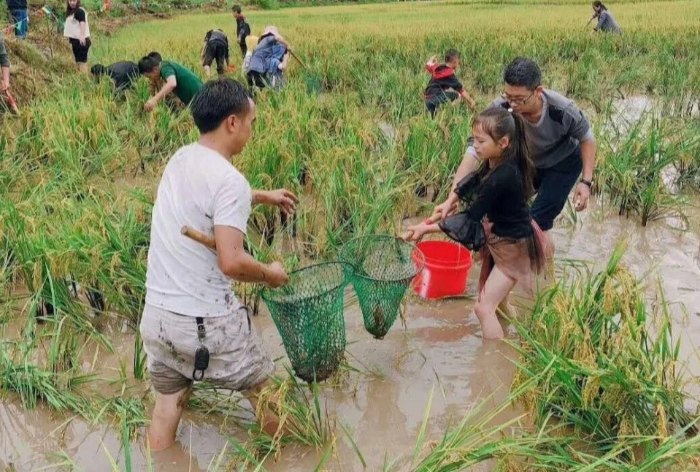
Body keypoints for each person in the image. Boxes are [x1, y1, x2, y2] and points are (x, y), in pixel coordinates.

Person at [139, 77, 299, 451]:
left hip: (158, 320)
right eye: (251, 123)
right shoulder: (229, 181)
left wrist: (261, 196)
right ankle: (292, 458)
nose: (251, 131)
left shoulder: (181, 158)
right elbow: (231, 261)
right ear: (232, 123)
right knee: (265, 392)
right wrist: (271, 275)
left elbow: (210, 198)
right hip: (204, 325)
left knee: (166, 411)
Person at [404, 107, 546, 339]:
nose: (475, 146)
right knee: (499, 304)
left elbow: (469, 219)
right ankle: (520, 339)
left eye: (480, 141)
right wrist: (450, 200)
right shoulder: (496, 162)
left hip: (513, 247)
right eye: (474, 139)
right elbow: (474, 179)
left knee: (483, 308)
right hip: (504, 237)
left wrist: (424, 228)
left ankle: (494, 362)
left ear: (503, 142)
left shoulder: (503, 176)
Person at [434, 58, 596, 255]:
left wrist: (585, 182)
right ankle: (496, 260)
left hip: (562, 165)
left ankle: (544, 271)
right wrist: (453, 197)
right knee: (500, 211)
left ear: (538, 91)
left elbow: (587, 138)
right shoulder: (502, 109)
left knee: (536, 223)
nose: (512, 103)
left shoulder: (562, 110)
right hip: (528, 162)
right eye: (508, 96)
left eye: (519, 99)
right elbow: (474, 149)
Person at [138, 55, 203, 112]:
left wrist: (154, 100)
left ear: (155, 69)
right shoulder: (164, 70)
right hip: (196, 101)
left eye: (149, 76)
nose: (150, 79)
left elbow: (172, 83)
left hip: (201, 98)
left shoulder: (165, 67)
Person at [424, 49, 477, 117]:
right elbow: (461, 91)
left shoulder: (438, 67)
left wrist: (431, 60)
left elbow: (428, 65)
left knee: (432, 119)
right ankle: (447, 113)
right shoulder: (449, 74)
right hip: (436, 98)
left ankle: (438, 113)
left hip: (427, 99)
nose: (459, 63)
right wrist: (471, 101)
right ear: (455, 61)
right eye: (458, 60)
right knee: (458, 96)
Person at [247, 26, 291, 91]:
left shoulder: (262, 43)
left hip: (251, 69)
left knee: (255, 91)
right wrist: (287, 45)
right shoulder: (269, 38)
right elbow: (277, 38)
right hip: (257, 69)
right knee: (261, 90)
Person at [63, 0, 91, 73]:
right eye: (70, 1)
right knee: (78, 61)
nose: (72, 3)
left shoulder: (79, 11)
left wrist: (82, 36)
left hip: (81, 41)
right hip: (76, 41)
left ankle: (84, 79)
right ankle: (81, 77)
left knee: (82, 62)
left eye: (74, 0)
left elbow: (82, 23)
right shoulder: (71, 12)